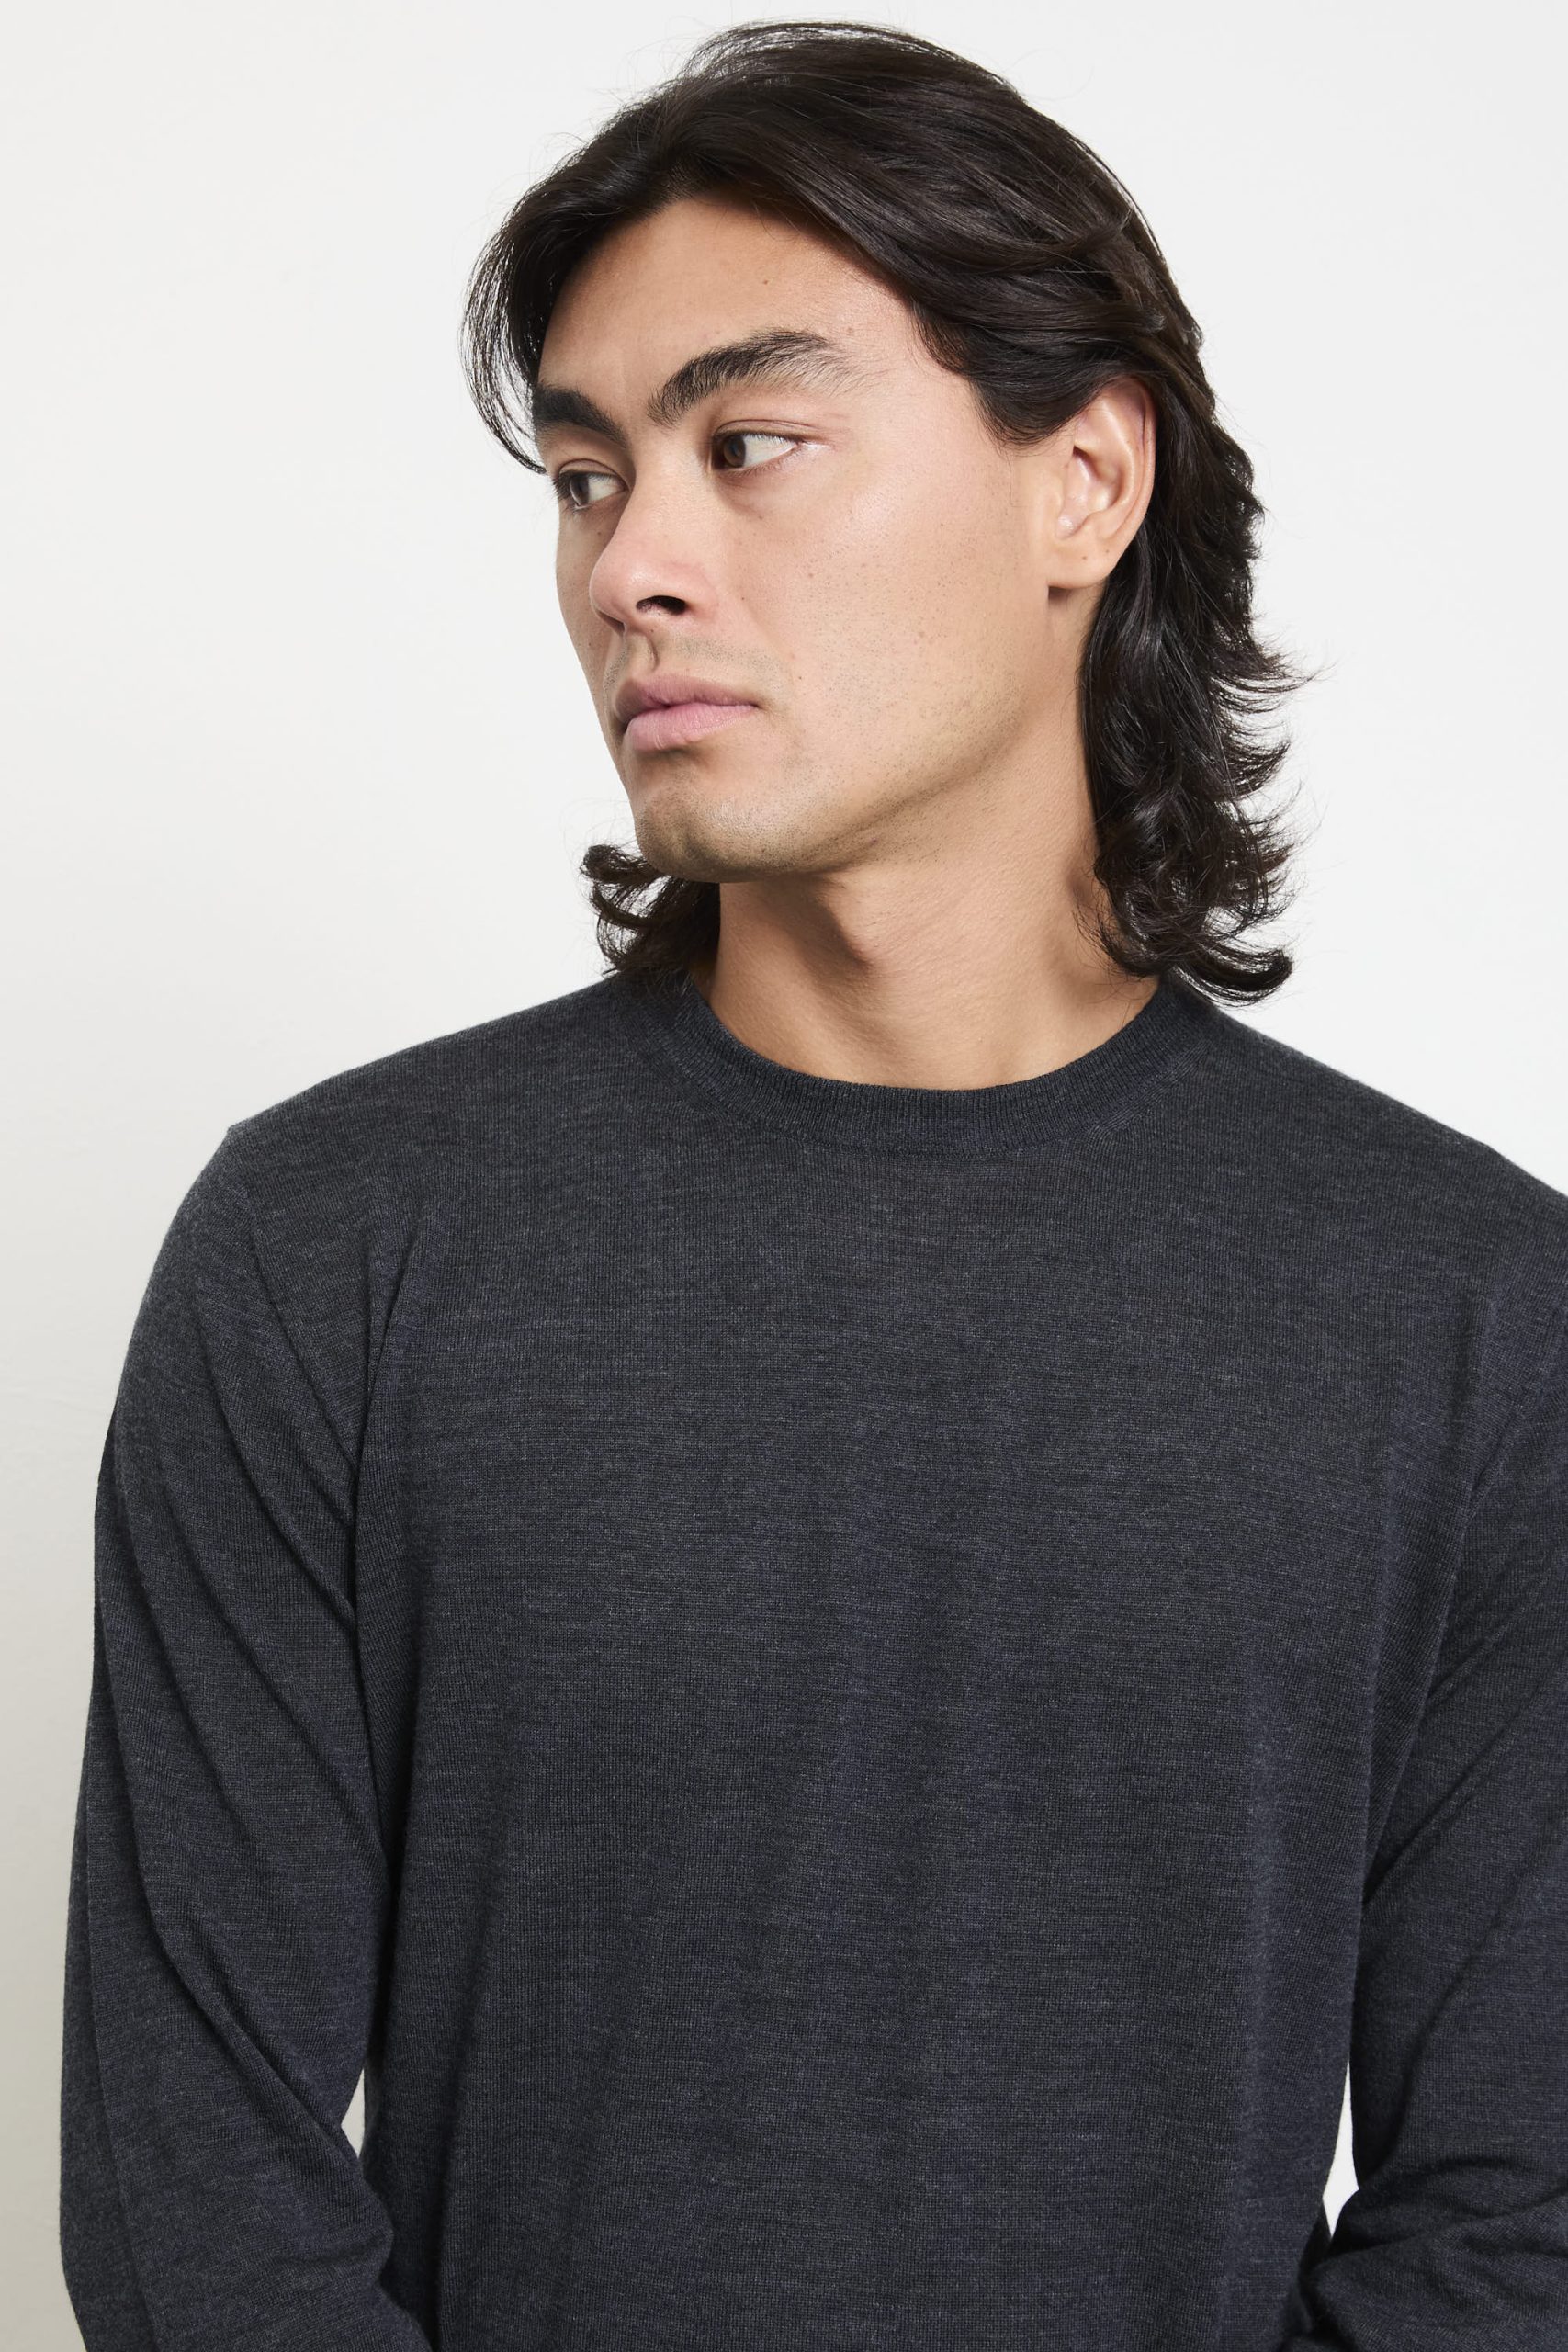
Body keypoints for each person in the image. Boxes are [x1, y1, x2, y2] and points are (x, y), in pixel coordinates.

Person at [60, 21, 1568, 2351]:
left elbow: (1517, 2218)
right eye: (585, 475)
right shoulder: (331, 1248)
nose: (629, 566)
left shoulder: (1469, 1311)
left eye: (747, 444)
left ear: (1083, 484)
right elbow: (196, 2196)